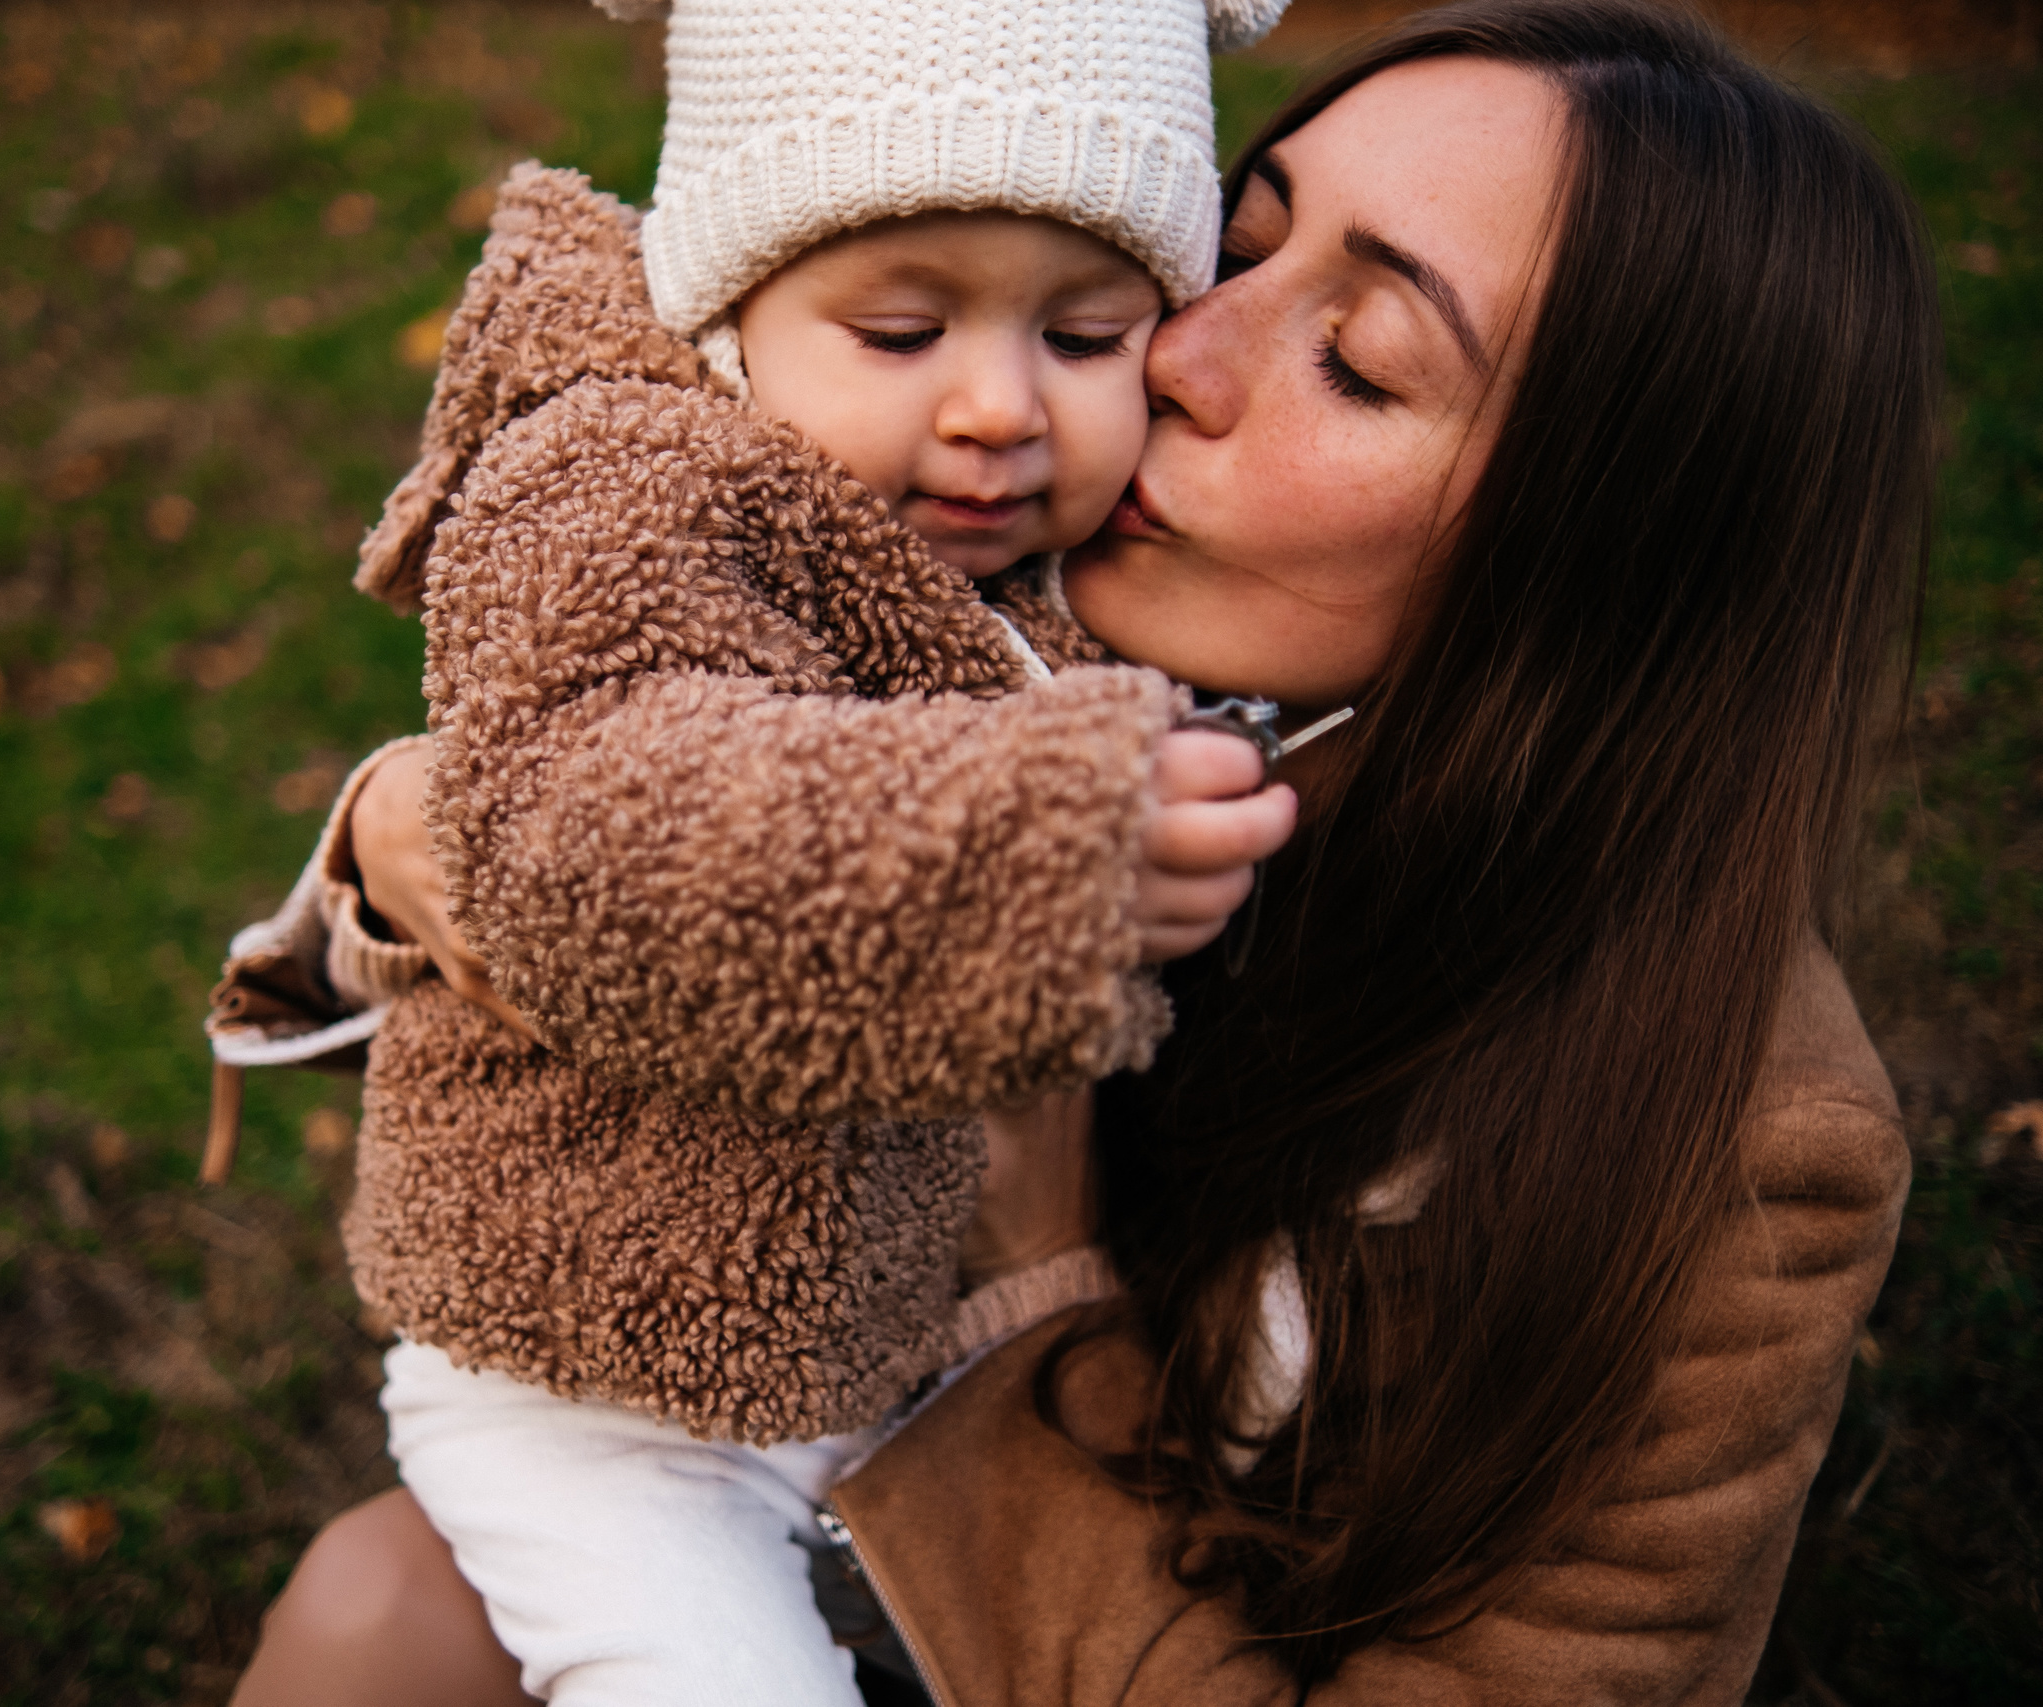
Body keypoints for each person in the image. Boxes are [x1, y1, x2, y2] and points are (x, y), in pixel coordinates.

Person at [232, 1, 1934, 1701]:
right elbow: (650, 766)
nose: (1171, 359)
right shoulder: (1007, 597)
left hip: (1058, 1607)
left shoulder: (1748, 1153)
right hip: (738, 1454)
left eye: (1359, 358)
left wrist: (1034, 1277)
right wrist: (413, 838)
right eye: (1231, 250)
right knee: (378, 1607)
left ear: (1605, 551)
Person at [206, 2, 1306, 1702]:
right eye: (900, 328)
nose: (1000, 408)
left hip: (889, 1332)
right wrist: (1027, 844)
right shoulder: (622, 488)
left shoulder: (1054, 573)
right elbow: (632, 815)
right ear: (728, 313)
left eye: (1088, 337)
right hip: (603, 1368)